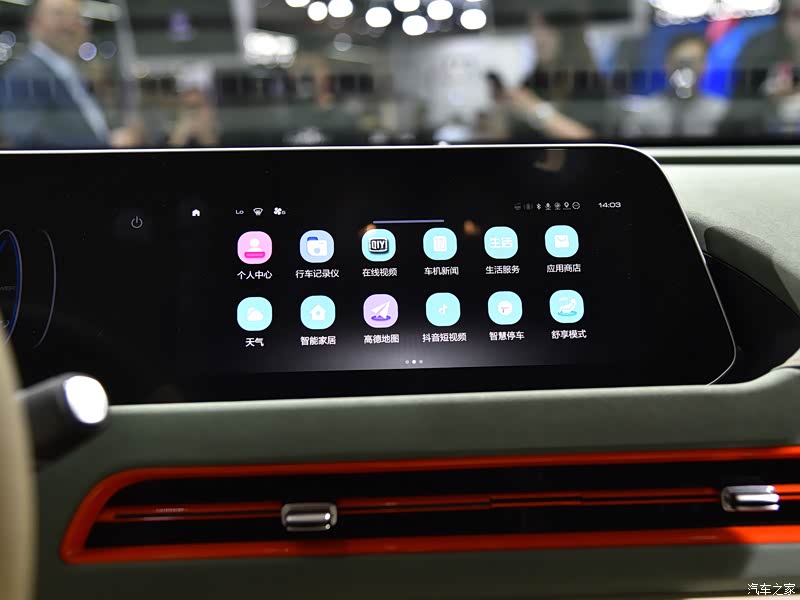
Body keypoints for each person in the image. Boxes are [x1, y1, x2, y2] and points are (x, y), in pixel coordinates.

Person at [0, 0, 139, 149]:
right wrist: (105, 146)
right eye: (59, 14)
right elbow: (28, 139)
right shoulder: (24, 75)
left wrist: (111, 138)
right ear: (34, 23)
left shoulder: (70, 72)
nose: (71, 23)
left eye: (77, 16)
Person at [501, 11, 609, 140]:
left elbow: (592, 141)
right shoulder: (533, 81)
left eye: (545, 27)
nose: (536, 36)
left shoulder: (590, 82)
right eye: (532, 28)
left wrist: (535, 110)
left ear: (567, 34)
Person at [621, 34, 728, 138]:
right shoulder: (644, 114)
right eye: (680, 63)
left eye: (693, 62)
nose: (686, 70)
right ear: (667, 65)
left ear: (705, 66)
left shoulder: (721, 113)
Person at [719, 0, 800, 137]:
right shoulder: (758, 51)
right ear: (784, 18)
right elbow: (734, 117)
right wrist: (770, 101)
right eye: (797, 15)